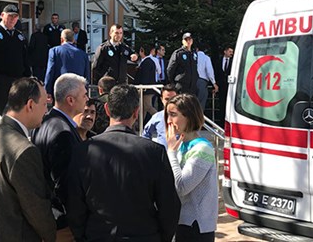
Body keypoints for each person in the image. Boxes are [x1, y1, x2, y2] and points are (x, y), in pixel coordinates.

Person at [66, 84, 180, 241]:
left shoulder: (83, 151)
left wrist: (84, 236)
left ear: (106, 109)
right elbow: (170, 207)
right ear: (136, 112)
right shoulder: (154, 152)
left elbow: (74, 205)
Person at [0, 77, 56, 241]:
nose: (46, 112)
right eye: (44, 105)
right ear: (30, 105)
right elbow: (36, 209)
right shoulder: (24, 150)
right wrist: (52, 235)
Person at [31, 73, 88, 242]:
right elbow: (65, 183)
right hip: (62, 223)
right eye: (84, 95)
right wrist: (78, 223)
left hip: (50, 215)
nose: (87, 99)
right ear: (70, 100)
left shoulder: (44, 122)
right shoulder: (63, 132)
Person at [165, 94, 218, 241]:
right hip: (181, 221)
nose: (169, 121)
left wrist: (171, 152)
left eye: (173, 115)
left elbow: (181, 187)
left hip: (196, 226)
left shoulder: (202, 149)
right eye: (168, 115)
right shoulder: (181, 145)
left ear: (189, 116)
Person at [44, 28, 90, 97]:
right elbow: (87, 75)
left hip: (60, 90)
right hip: (78, 91)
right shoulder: (83, 54)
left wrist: (47, 90)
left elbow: (50, 71)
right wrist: (85, 92)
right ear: (73, 40)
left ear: (61, 39)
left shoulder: (54, 51)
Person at [142, 84, 178, 148]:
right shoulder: (157, 117)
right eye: (167, 99)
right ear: (161, 99)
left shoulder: (185, 117)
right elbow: (145, 134)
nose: (170, 102)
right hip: (163, 155)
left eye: (173, 99)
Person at [133, 44, 158, 118]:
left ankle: (161, 119)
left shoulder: (146, 62)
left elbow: (145, 76)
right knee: (142, 109)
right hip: (147, 89)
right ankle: (140, 125)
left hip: (146, 89)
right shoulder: (148, 61)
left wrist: (142, 88)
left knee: (148, 107)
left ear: (142, 51)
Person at [196, 44, 218, 110]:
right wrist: (214, 83)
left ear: (197, 49)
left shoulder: (192, 56)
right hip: (202, 82)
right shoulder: (206, 58)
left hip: (191, 82)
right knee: (200, 105)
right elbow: (209, 71)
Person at [214, 46, 233, 125]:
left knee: (229, 105)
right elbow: (216, 73)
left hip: (230, 87)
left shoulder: (233, 61)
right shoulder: (218, 60)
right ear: (225, 51)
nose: (231, 53)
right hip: (221, 86)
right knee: (221, 105)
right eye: (230, 51)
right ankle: (221, 123)